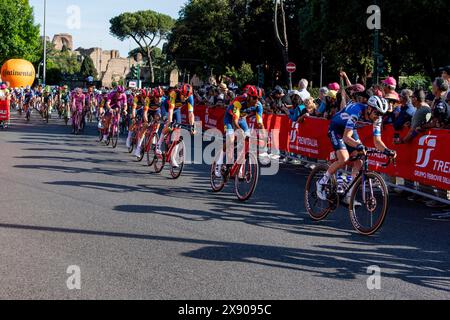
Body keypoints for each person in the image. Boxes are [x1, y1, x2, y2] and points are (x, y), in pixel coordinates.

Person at [317, 95, 396, 204]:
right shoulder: (357, 111)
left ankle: (349, 194)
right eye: (377, 113)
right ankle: (322, 182)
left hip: (350, 129)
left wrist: (387, 151)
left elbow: (377, 141)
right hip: (336, 128)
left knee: (360, 159)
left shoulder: (377, 118)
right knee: (344, 158)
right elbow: (346, 137)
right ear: (369, 108)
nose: (378, 117)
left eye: (381, 114)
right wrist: (358, 145)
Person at [214, 85, 260, 177]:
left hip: (242, 119)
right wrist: (240, 131)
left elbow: (260, 123)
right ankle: (218, 163)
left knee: (246, 142)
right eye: (254, 98)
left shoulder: (258, 105)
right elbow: (235, 121)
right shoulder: (239, 101)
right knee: (230, 140)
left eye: (258, 98)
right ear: (249, 97)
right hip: (230, 119)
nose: (256, 100)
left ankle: (240, 168)